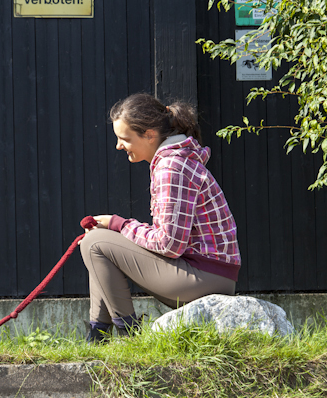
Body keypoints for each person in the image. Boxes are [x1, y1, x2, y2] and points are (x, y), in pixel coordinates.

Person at [80, 93, 241, 342]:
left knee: (95, 243)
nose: (118, 146)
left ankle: (129, 337)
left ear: (149, 135)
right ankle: (97, 336)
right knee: (99, 241)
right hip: (207, 274)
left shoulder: (171, 167)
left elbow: (169, 244)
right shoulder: (173, 160)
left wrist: (119, 224)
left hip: (205, 279)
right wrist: (115, 229)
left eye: (125, 138)